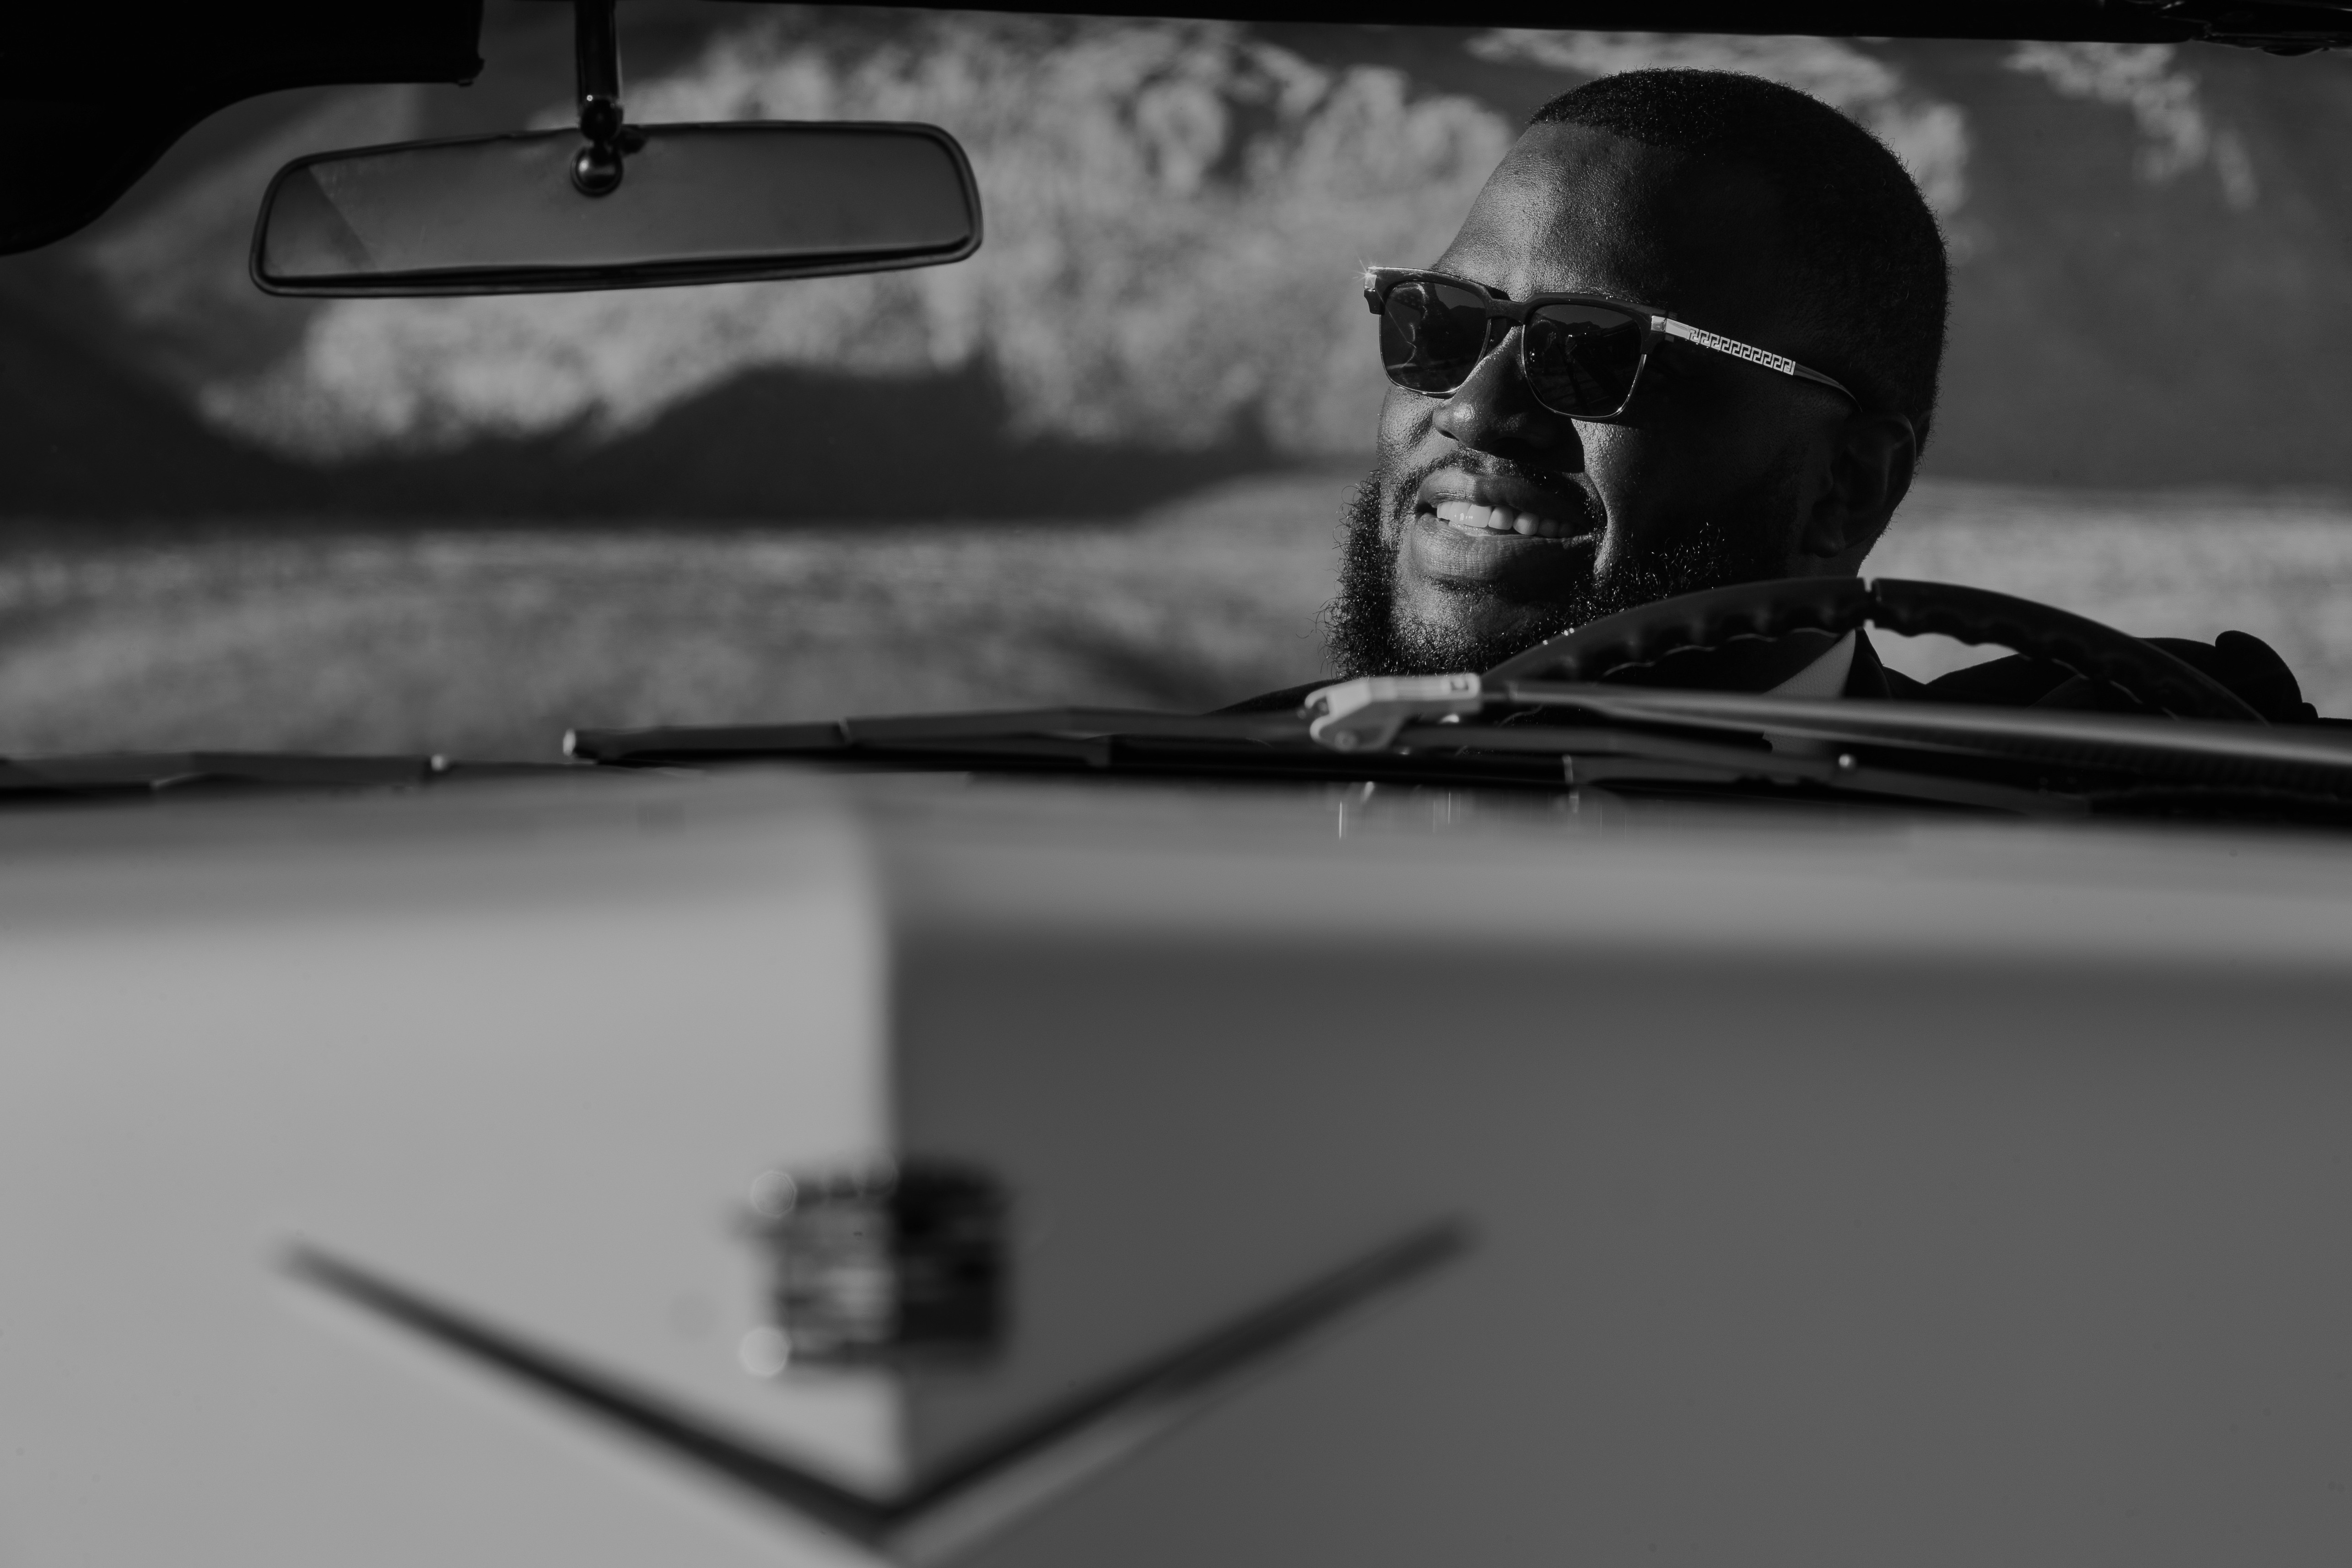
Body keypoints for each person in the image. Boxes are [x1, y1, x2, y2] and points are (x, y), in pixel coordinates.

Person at [1230, 68, 2314, 721]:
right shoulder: (1197, 821)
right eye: (1439, 324)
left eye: (1592, 353)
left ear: (1846, 484)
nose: (1471, 410)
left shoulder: (2114, 822)